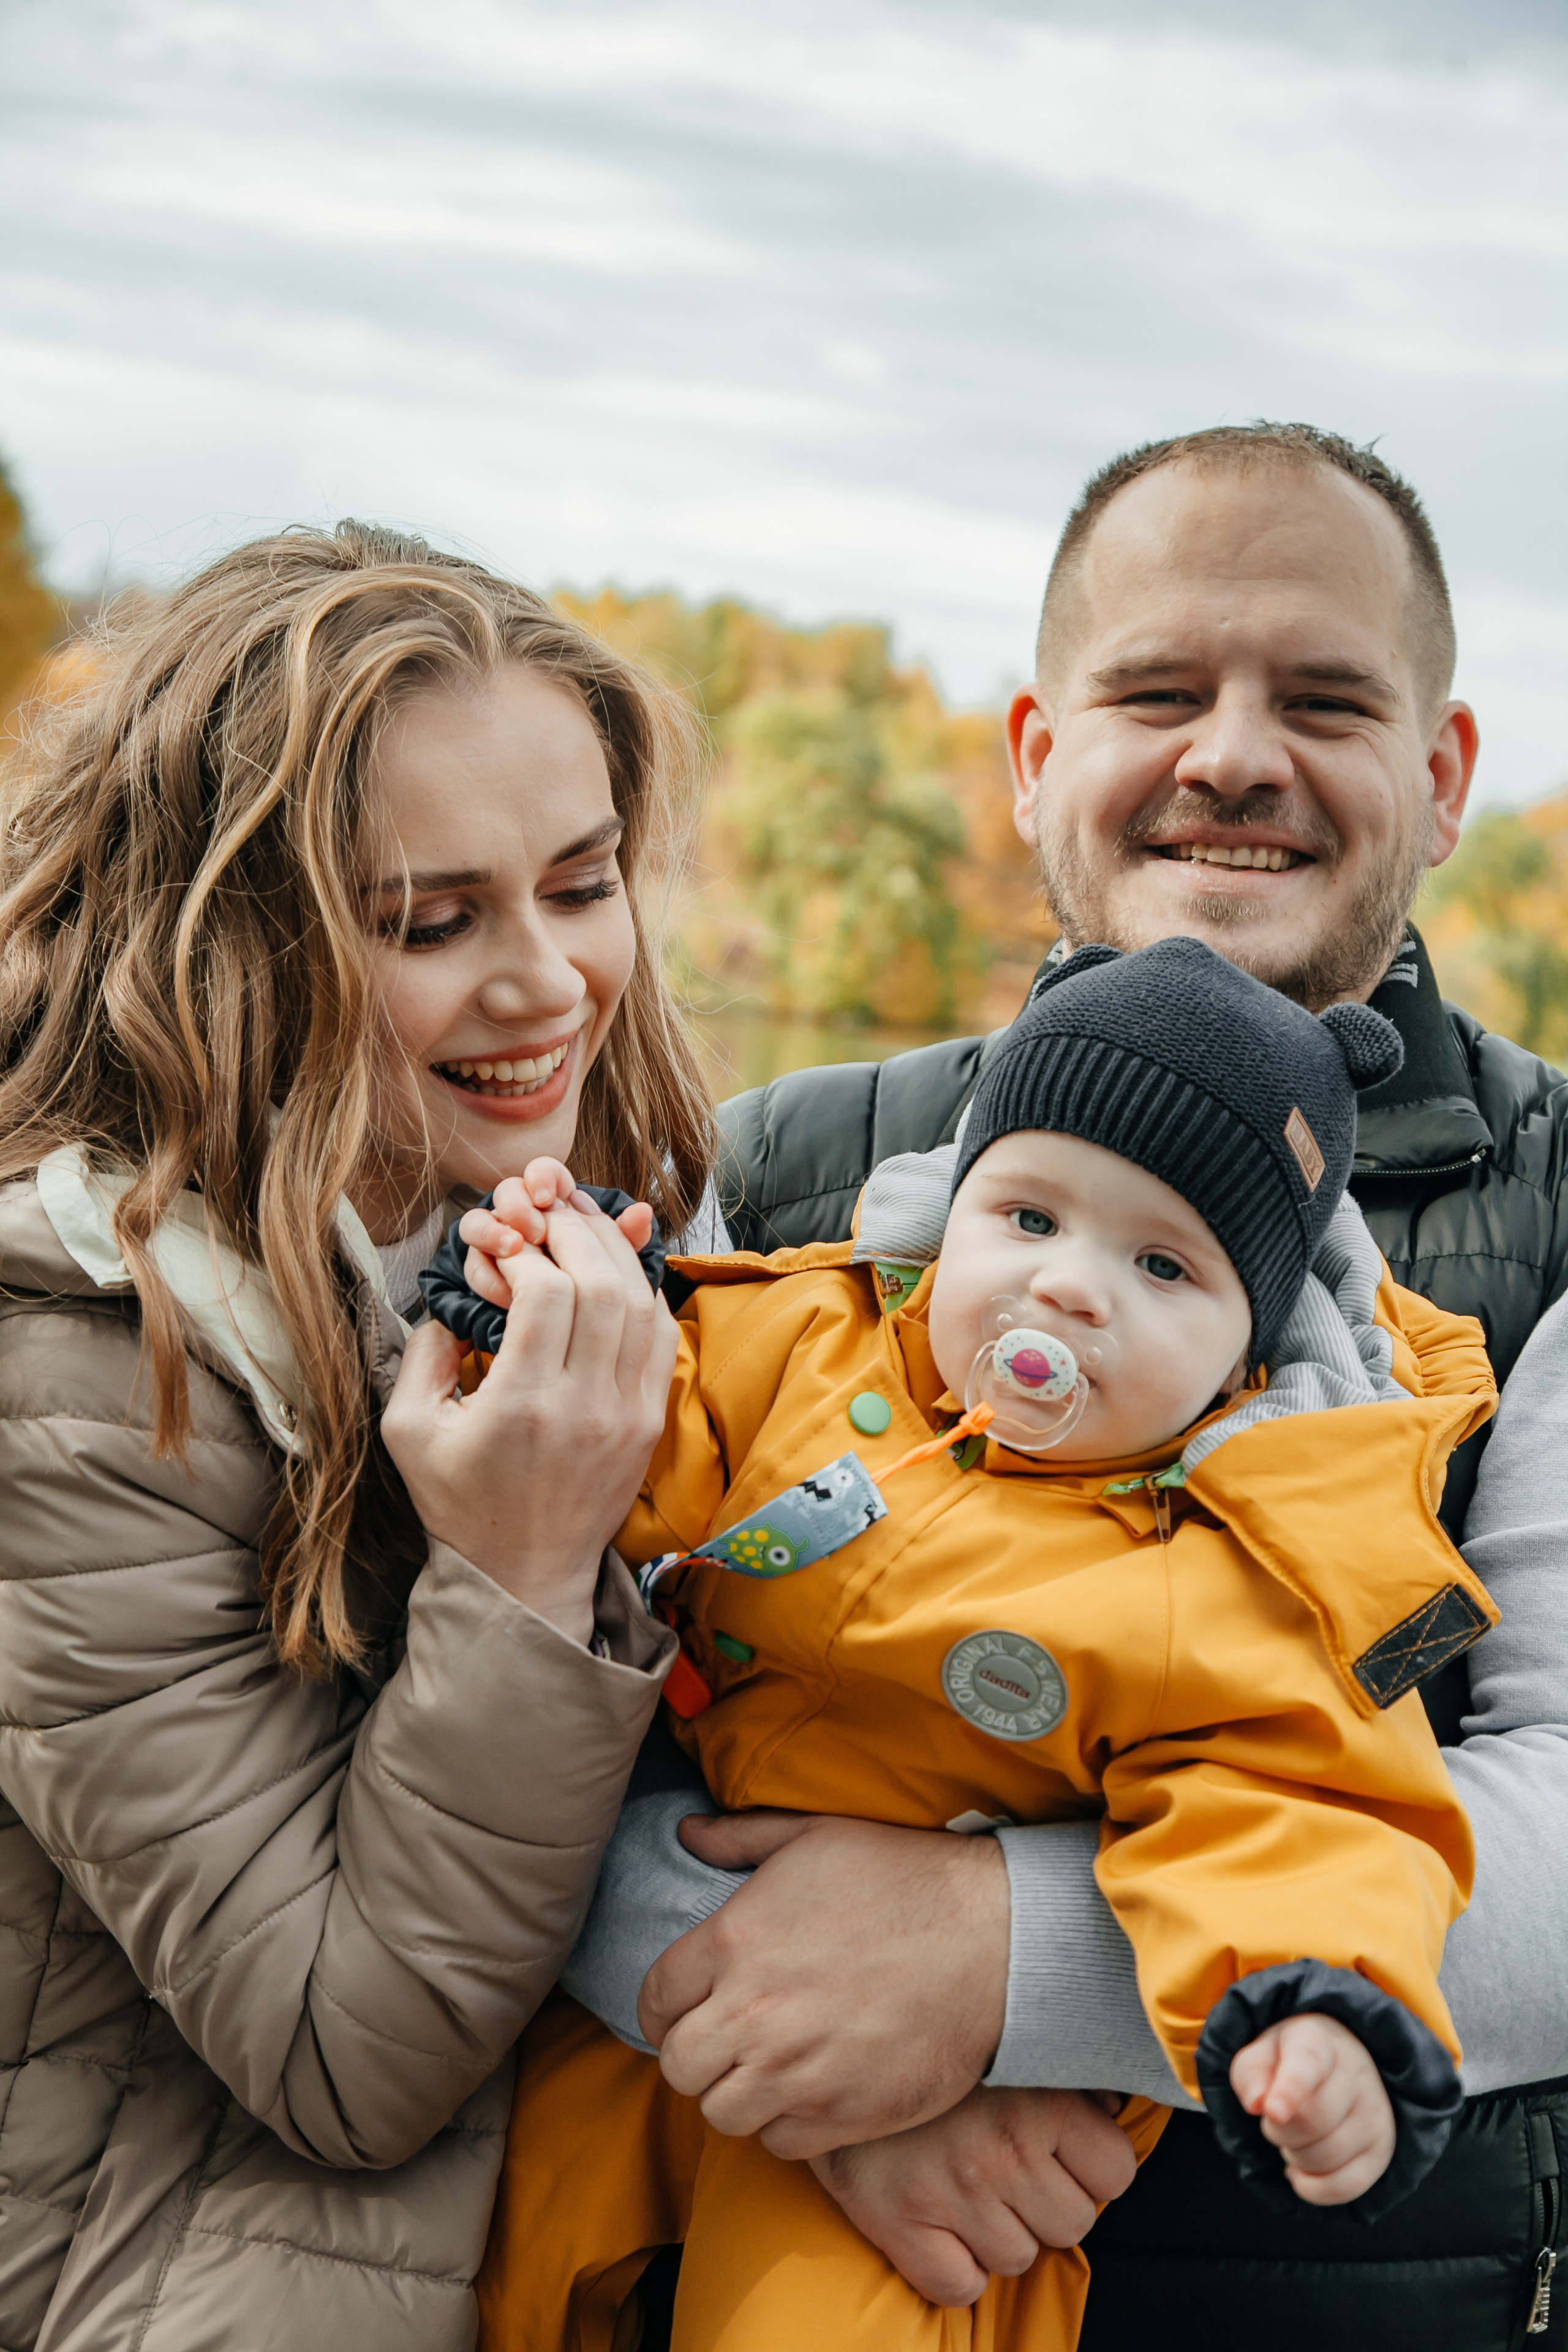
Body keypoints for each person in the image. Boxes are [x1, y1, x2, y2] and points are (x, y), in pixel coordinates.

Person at [562, 424, 1568, 2351]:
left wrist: (995, 1965)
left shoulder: (1565, 1211)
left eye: (1327, 700)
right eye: (1160, 691)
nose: (1234, 757)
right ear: (1038, 755)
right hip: (778, 2235)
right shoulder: (770, 1175)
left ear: (1441, 780)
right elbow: (534, 1664)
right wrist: (759, 2012)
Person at [453, 938, 1496, 2350]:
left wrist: (1310, 2015)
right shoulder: (806, 1348)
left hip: (939, 2121)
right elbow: (640, 1426)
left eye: (1158, 1265)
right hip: (649, 2017)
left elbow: (1299, 1815)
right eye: (1024, 1217)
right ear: (952, 1211)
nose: (1067, 1289)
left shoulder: (1225, 1572)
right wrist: (535, 1315)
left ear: (1242, 1350)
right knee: (491, 2270)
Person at [0, 521, 728, 2351]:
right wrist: (523, 1566)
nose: (549, 982)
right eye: (432, 920)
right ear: (225, 942)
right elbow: (343, 2054)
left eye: (582, 884)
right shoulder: (79, 1366)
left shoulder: (629, 1239)